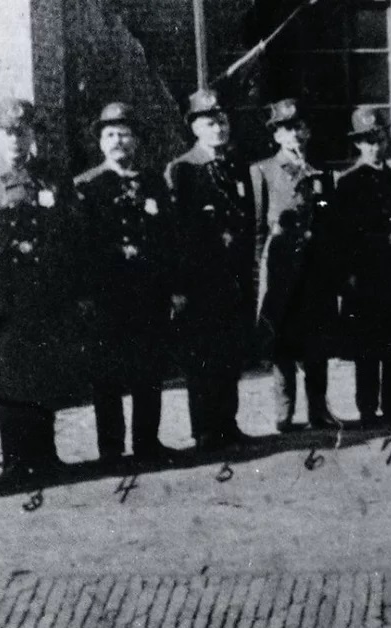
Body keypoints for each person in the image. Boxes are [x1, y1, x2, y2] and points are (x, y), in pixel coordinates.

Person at [0, 97, 80, 482]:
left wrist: (72, 290)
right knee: (8, 380)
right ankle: (13, 460)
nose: (15, 140)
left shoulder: (53, 176)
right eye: (8, 133)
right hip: (3, 297)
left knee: (45, 372)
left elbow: (72, 235)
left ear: (33, 136)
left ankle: (46, 454)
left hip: (45, 293)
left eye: (22, 132)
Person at [73, 102, 181, 461]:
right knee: (107, 373)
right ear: (100, 143)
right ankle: (111, 448)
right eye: (110, 135)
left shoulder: (153, 182)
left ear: (135, 141)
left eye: (124, 134)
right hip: (108, 293)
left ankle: (147, 442)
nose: (118, 141)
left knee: (148, 368)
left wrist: (173, 286)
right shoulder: (86, 186)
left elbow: (168, 238)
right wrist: (85, 293)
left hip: (148, 291)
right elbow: (81, 245)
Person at [165, 89, 258, 450]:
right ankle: (204, 429)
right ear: (194, 128)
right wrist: (180, 285)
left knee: (230, 353)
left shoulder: (236, 167)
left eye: (222, 121)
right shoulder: (183, 169)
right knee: (202, 356)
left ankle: (228, 423)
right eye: (209, 122)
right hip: (200, 281)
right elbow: (176, 232)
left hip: (232, 279)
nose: (218, 128)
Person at [250, 98, 342, 431]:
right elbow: (258, 227)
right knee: (282, 344)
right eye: (287, 129)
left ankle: (318, 409)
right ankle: (284, 412)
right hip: (280, 270)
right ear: (276, 135)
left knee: (316, 343)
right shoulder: (262, 171)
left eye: (300, 127)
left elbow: (330, 224)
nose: (295, 135)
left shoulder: (321, 172)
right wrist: (259, 274)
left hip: (315, 271)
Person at [331, 105, 391, 424]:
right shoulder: (347, 183)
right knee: (368, 346)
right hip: (366, 277)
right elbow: (343, 234)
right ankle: (368, 407)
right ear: (358, 144)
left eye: (379, 138)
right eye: (367, 140)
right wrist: (348, 275)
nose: (374, 145)